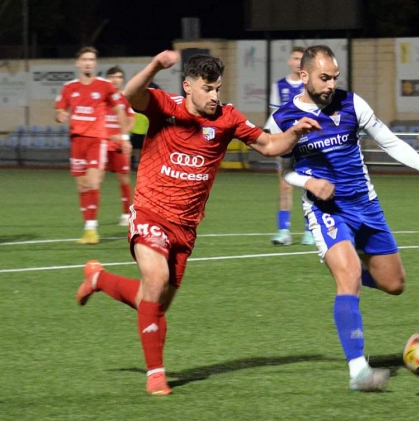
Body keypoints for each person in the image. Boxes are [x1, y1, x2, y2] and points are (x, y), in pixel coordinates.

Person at [75, 50, 320, 396]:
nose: (215, 96)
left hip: (185, 228)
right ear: (188, 87)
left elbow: (269, 146)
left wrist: (295, 131)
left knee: (153, 300)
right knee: (156, 282)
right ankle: (156, 374)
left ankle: (99, 278)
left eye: (218, 88)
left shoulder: (227, 118)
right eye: (208, 89)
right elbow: (130, 95)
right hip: (149, 213)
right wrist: (156, 66)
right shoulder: (165, 107)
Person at [266, 45, 419, 392]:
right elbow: (285, 170)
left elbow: (391, 143)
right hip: (326, 211)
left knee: (394, 284)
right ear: (304, 76)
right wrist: (309, 181)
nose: (331, 84)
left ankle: (347, 275)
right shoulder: (281, 119)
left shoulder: (352, 104)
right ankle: (358, 369)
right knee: (350, 275)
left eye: (335, 77)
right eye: (324, 77)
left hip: (366, 206)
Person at [55, 46, 128, 245]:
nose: (88, 63)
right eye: (85, 59)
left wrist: (123, 136)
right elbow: (60, 109)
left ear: (95, 64)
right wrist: (60, 115)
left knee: (94, 182)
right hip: (77, 141)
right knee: (82, 186)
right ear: (78, 63)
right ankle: (87, 228)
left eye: (91, 59)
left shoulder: (105, 86)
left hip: (97, 140)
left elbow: (119, 110)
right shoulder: (69, 87)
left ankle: (91, 228)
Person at [269, 46, 314, 247]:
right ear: (289, 61)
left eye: (301, 59)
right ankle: (283, 232)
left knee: (308, 187)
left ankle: (309, 232)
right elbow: (275, 117)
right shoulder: (278, 86)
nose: (297, 62)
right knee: (285, 186)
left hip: (307, 144)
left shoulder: (311, 85)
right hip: (286, 143)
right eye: (295, 58)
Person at [104, 66, 135, 226]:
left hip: (118, 144)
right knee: (93, 181)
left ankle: (126, 214)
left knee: (123, 179)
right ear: (107, 79)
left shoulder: (124, 98)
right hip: (101, 143)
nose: (116, 80)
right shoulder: (101, 97)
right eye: (113, 77)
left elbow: (131, 120)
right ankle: (90, 220)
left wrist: (124, 137)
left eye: (119, 77)